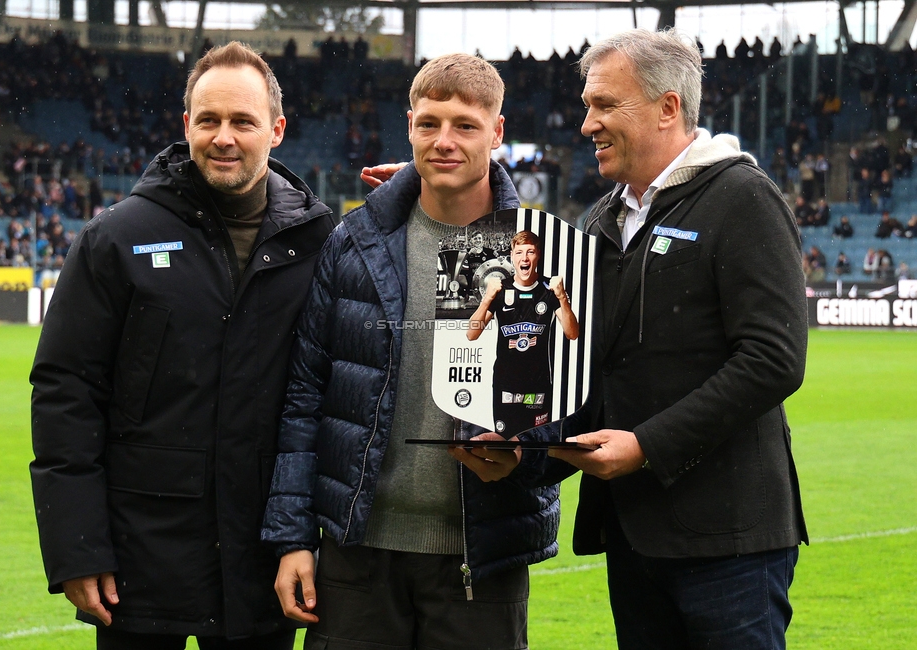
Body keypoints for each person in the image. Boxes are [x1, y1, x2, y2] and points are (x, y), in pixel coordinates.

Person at [476, 29, 807, 649]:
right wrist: (527, 448)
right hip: (632, 532)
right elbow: (581, 367)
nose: (586, 124)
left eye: (604, 105)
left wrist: (647, 446)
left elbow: (774, 359)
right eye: (586, 106)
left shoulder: (742, 197)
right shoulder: (600, 221)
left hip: (729, 539)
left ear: (668, 107)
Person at [29, 42, 336, 650]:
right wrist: (78, 547)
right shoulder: (116, 237)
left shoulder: (321, 241)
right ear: (185, 125)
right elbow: (67, 394)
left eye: (242, 122)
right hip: (139, 568)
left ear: (275, 129)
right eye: (209, 120)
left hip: (265, 563)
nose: (224, 137)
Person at [262, 53, 558, 650]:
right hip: (356, 551)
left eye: (465, 126)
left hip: (483, 556)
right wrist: (293, 538)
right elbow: (304, 395)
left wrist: (525, 453)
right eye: (429, 124)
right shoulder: (354, 240)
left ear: (497, 133)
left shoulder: (544, 252)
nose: (444, 141)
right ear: (408, 125)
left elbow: (573, 406)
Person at [467, 229, 579, 436]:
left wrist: (562, 296)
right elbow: (472, 334)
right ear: (512, 256)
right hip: (505, 386)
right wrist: (487, 299)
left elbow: (572, 333)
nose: (524, 258)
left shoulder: (549, 290)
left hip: (537, 386)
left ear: (538, 255)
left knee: (534, 446)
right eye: (519, 253)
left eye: (530, 252)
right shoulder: (500, 289)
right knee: (505, 444)